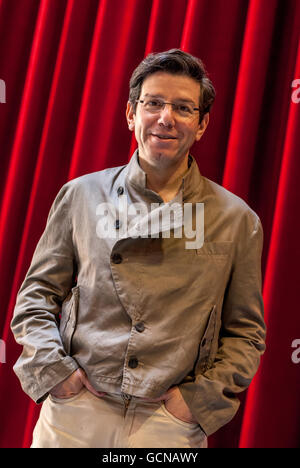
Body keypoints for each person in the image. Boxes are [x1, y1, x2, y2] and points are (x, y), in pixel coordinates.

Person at [11, 49, 266, 448]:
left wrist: (194, 403)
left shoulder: (235, 219)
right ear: (131, 113)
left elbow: (246, 334)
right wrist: (55, 374)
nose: (166, 118)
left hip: (167, 424)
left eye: (183, 108)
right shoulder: (81, 195)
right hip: (77, 413)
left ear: (201, 125)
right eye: (154, 103)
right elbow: (35, 298)